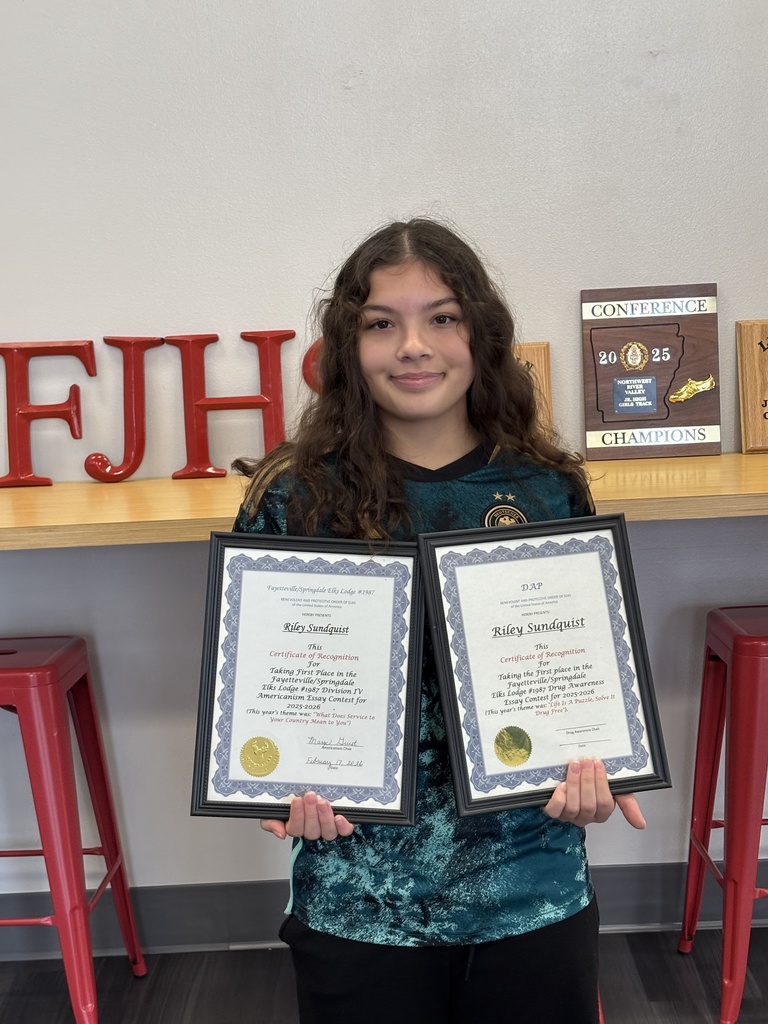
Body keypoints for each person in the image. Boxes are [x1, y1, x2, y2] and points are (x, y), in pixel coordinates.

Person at [232, 218, 645, 1024]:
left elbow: (584, 677)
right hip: (358, 898)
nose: (413, 346)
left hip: (532, 885)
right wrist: (272, 786)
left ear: (479, 334)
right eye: (381, 324)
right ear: (348, 347)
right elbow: (261, 696)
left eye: (442, 318)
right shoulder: (295, 497)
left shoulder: (546, 489)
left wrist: (606, 767)